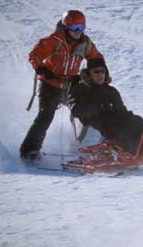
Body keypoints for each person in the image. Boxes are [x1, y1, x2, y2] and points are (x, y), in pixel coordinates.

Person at [20, 10, 104, 161]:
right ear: (66, 27)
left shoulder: (85, 44)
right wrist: (42, 69)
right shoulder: (54, 41)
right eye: (74, 27)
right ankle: (29, 151)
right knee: (45, 117)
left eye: (81, 27)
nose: (78, 31)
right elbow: (34, 55)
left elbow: (96, 57)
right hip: (50, 84)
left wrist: (99, 70)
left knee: (88, 111)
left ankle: (90, 148)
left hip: (70, 85)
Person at [69, 58, 143, 159]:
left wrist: (130, 117)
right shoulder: (80, 89)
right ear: (88, 74)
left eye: (103, 71)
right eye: (96, 71)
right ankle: (134, 149)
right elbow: (76, 111)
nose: (100, 74)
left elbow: (121, 110)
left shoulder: (111, 91)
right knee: (125, 129)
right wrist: (99, 106)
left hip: (113, 122)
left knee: (135, 122)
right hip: (94, 124)